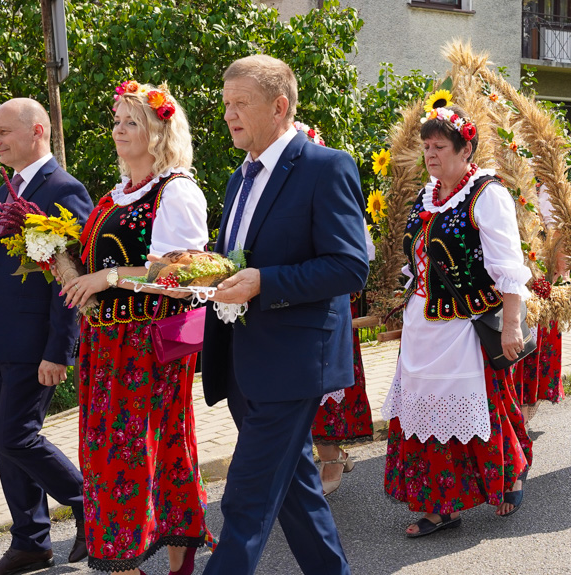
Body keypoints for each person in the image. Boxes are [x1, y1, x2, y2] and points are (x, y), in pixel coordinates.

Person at [201, 55, 368, 575]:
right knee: (297, 493)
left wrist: (263, 283)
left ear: (279, 106)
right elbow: (242, 257)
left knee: (244, 501)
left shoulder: (326, 166)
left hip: (295, 363)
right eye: (226, 103)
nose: (229, 114)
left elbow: (348, 266)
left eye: (241, 103)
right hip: (243, 362)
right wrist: (198, 270)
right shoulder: (237, 179)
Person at [62, 81, 211, 574]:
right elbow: (90, 266)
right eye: (117, 121)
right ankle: (137, 559)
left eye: (132, 122)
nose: (119, 130)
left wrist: (108, 277)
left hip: (149, 346)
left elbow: (183, 270)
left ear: (157, 132)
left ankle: (168, 562)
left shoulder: (176, 190)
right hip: (105, 347)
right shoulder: (113, 196)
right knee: (110, 457)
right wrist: (56, 258)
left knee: (148, 452)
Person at [382, 104, 533, 537]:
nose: (431, 154)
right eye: (427, 146)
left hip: (466, 325)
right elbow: (417, 257)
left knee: (483, 405)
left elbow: (508, 266)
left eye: (440, 146)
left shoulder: (487, 193)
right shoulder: (428, 194)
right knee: (426, 410)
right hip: (423, 324)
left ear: (466, 149)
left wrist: (510, 325)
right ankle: (441, 503)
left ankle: (510, 472)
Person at [0, 98, 92, 574]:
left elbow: (70, 281)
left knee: (16, 436)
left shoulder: (65, 190)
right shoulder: (4, 192)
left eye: (3, 132)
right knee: (3, 440)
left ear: (36, 131)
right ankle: (31, 540)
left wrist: (60, 349)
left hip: (35, 346)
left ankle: (86, 503)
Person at [313, 224, 375, 497]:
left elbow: (361, 251)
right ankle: (333, 453)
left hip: (325, 296)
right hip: (291, 299)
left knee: (323, 383)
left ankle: (331, 458)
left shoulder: (332, 185)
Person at [514, 184, 565, 428]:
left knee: (531, 338)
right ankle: (517, 408)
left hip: (537, 268)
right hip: (513, 265)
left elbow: (556, 228)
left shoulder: (542, 184)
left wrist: (556, 263)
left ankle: (523, 408)